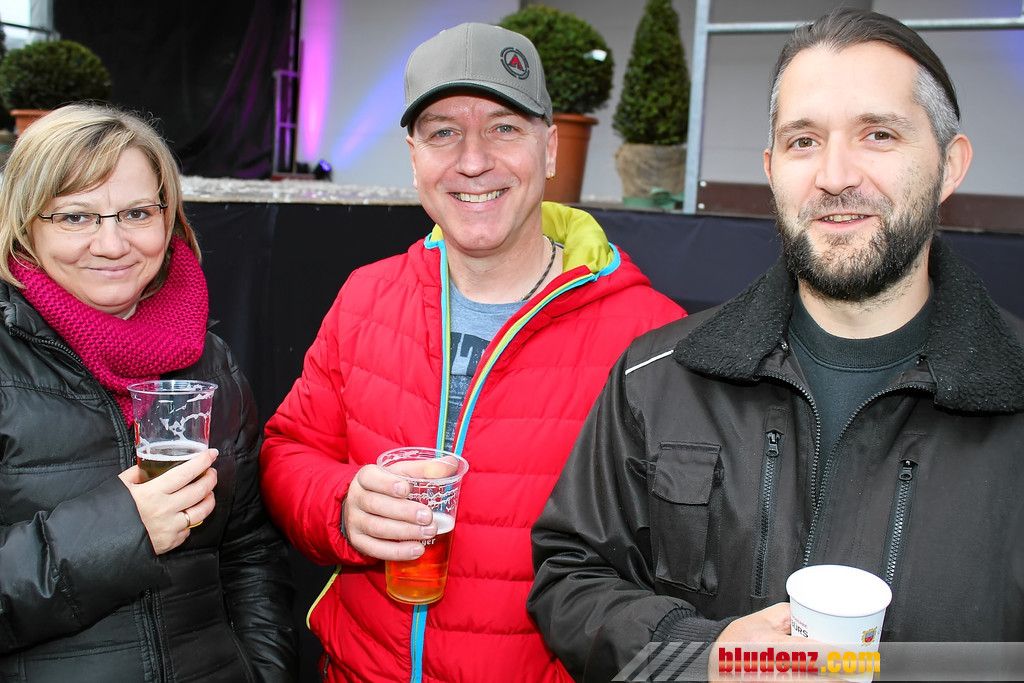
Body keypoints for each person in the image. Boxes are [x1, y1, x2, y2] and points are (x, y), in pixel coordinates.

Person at [528, 7, 1024, 681]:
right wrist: (703, 655)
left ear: (949, 164)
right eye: (803, 141)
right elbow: (572, 577)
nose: (835, 175)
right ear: (771, 168)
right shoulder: (658, 378)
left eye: (878, 134)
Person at [259, 21, 684, 683]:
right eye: (442, 132)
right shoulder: (366, 296)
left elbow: (677, 563)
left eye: (504, 127)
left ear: (550, 147)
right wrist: (341, 505)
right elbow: (288, 451)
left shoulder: (650, 336)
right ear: (414, 156)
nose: (473, 160)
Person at [0, 104, 297, 681]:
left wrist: (263, 671)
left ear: (170, 218)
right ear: (25, 225)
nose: (112, 244)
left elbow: (250, 552)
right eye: (75, 217)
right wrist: (122, 531)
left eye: (137, 213)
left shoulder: (208, 359)